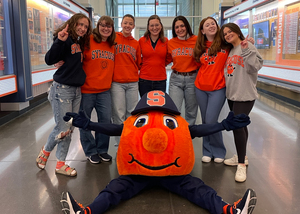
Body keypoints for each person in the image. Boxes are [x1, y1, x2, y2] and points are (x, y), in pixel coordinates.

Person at [60, 90, 257, 214]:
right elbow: (113, 128)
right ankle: (86, 212)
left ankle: (228, 210)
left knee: (198, 189)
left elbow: (196, 130)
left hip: (161, 173)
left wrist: (223, 125)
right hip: (144, 173)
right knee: (113, 190)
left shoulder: (172, 123)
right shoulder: (168, 122)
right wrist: (88, 124)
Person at [36, 13, 92, 176]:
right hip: (62, 89)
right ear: (73, 23)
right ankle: (46, 153)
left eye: (85, 26)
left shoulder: (79, 42)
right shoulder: (65, 39)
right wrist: (59, 41)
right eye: (80, 24)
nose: (82, 28)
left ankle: (60, 163)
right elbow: (49, 59)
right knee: (63, 127)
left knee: (69, 128)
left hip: (76, 90)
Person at [220, 23, 263, 182]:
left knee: (238, 126)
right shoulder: (230, 50)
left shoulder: (248, 45)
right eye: (225, 34)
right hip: (233, 95)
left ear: (238, 32)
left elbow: (255, 67)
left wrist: (246, 49)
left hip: (245, 95)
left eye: (230, 31)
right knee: (240, 126)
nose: (228, 35)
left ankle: (241, 165)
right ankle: (241, 156)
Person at [79, 16, 115, 164]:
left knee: (105, 121)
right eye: (103, 25)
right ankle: (90, 151)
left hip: (104, 91)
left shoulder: (112, 44)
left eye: (109, 26)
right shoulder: (87, 40)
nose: (106, 28)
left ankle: (102, 150)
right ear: (97, 26)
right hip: (86, 90)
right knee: (85, 121)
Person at [193, 17, 228, 164]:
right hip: (200, 87)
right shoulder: (200, 47)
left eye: (213, 23)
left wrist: (249, 41)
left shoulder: (225, 44)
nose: (211, 26)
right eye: (207, 25)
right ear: (203, 30)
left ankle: (219, 150)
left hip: (218, 87)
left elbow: (239, 44)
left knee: (212, 120)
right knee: (205, 120)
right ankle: (207, 151)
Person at [111, 14, 142, 142]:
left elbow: (139, 62)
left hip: (133, 83)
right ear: (121, 24)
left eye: (130, 23)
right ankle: (120, 145)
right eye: (125, 23)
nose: (127, 26)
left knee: (132, 113)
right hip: (117, 82)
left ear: (133, 26)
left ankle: (131, 141)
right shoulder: (113, 39)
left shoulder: (135, 43)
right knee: (118, 114)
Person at [167, 16, 199, 125]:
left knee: (191, 111)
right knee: (173, 110)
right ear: (174, 30)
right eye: (177, 27)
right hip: (176, 79)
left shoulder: (196, 40)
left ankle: (188, 135)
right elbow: (164, 58)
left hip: (192, 78)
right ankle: (176, 134)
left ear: (187, 26)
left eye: (182, 26)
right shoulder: (171, 43)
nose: (180, 29)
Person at [138, 15, 170, 97]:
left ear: (161, 26)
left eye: (157, 25)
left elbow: (169, 57)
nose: (154, 28)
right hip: (144, 79)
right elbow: (137, 56)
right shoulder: (142, 40)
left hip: (161, 80)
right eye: (152, 25)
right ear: (148, 27)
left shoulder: (166, 41)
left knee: (158, 107)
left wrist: (161, 63)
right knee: (145, 105)